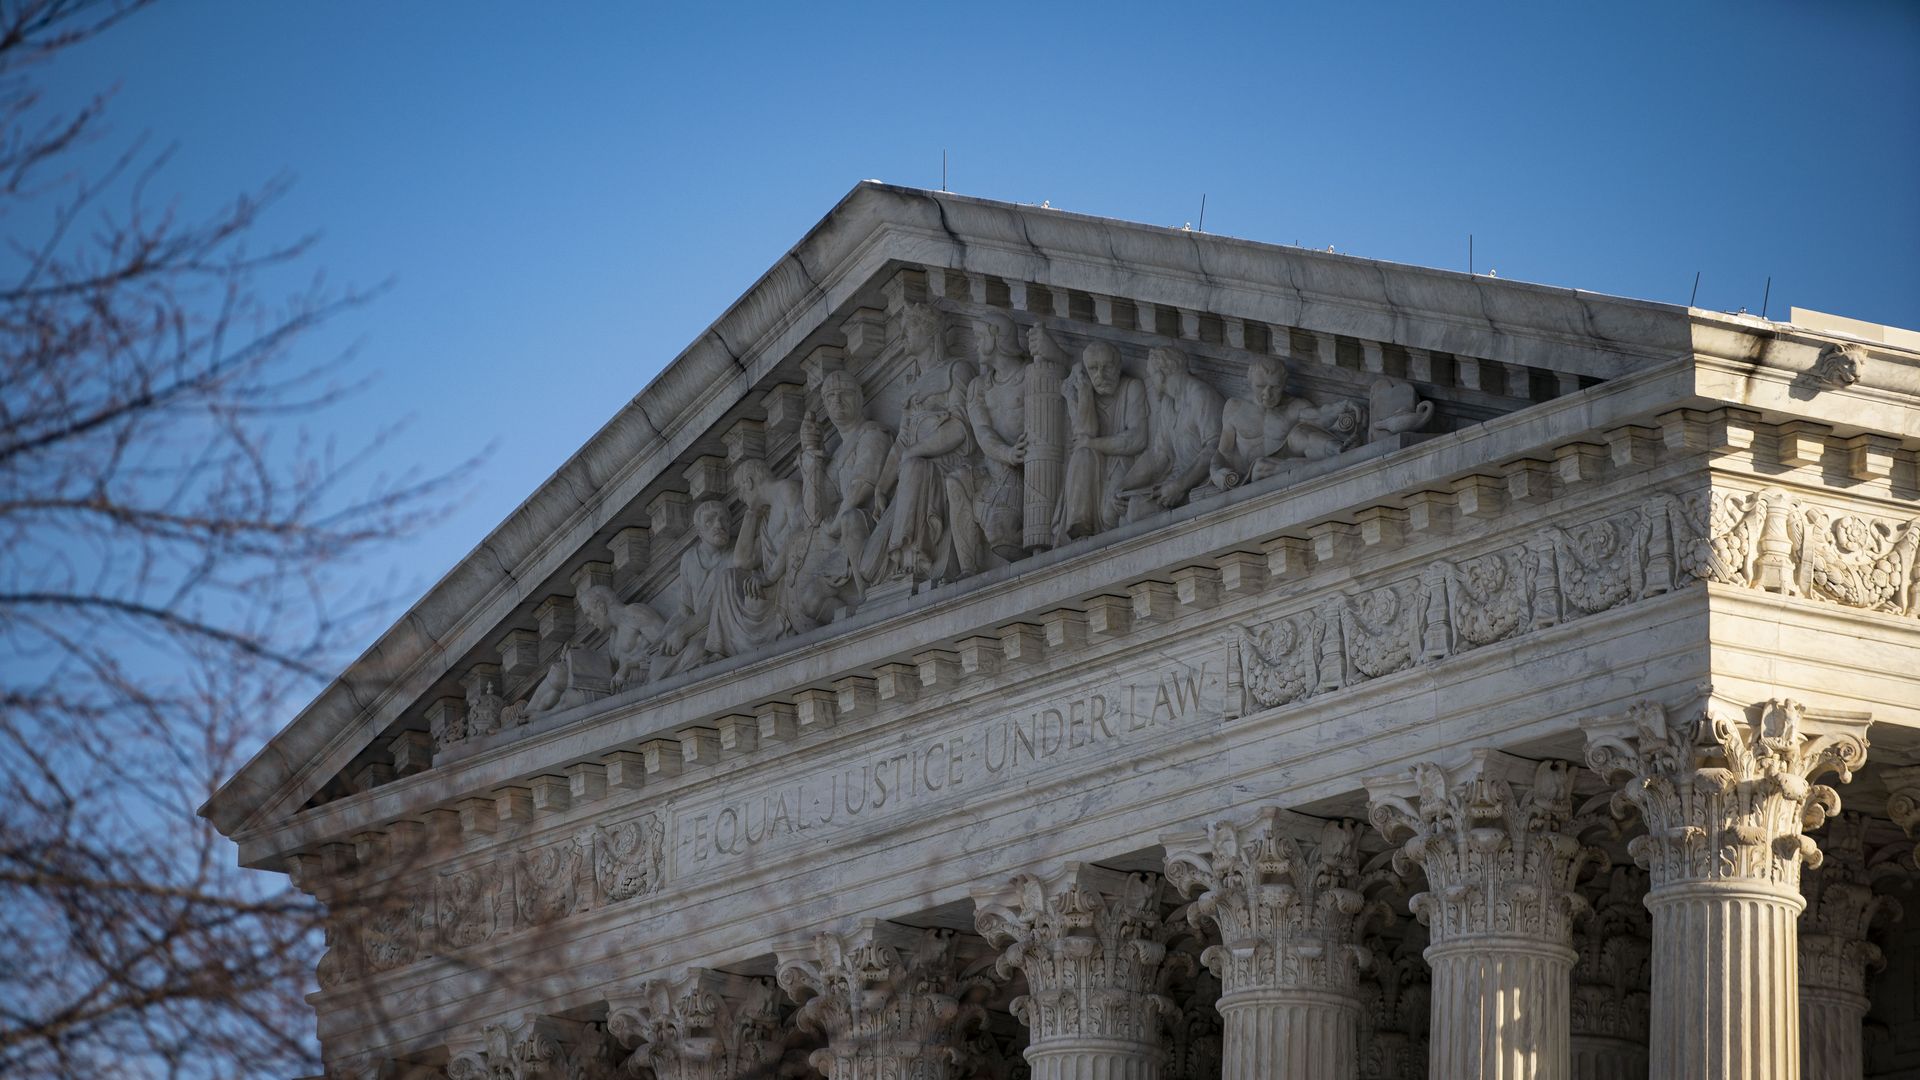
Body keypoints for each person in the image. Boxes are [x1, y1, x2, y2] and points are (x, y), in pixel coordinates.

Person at [1121, 345, 1222, 519]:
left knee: (1137, 511)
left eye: (1151, 375)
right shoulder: (1168, 404)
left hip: (1201, 483)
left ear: (1161, 374)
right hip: (1174, 485)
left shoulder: (1201, 396)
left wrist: (1180, 485)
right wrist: (1124, 487)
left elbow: (1215, 449)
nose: (1151, 381)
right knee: (1125, 510)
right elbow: (1159, 456)